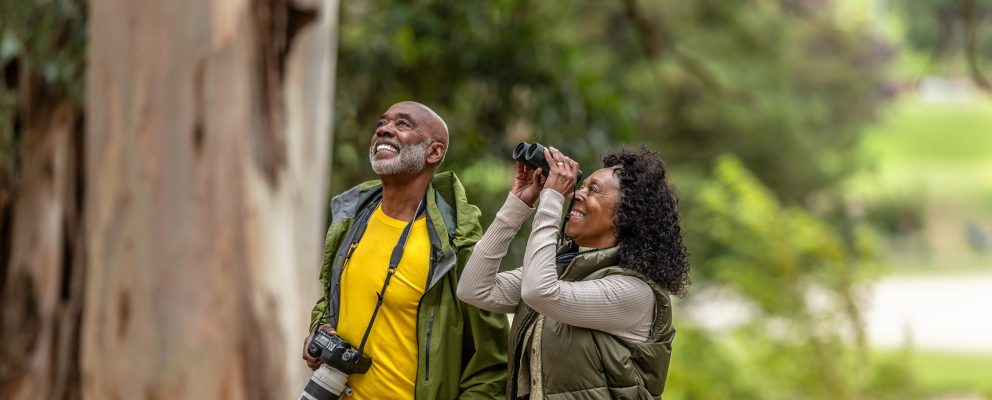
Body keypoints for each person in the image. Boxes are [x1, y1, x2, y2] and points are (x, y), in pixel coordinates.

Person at [304, 101, 509, 399]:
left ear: (434, 152)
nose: (385, 130)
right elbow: (332, 298)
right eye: (381, 123)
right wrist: (318, 329)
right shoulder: (352, 218)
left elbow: (492, 365)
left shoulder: (456, 244)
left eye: (402, 124)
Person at [457, 145, 690, 399]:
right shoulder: (561, 269)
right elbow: (473, 289)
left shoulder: (635, 293)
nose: (574, 195)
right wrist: (518, 204)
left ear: (626, 215)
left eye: (593, 190)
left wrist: (551, 198)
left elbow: (540, 293)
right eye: (581, 186)